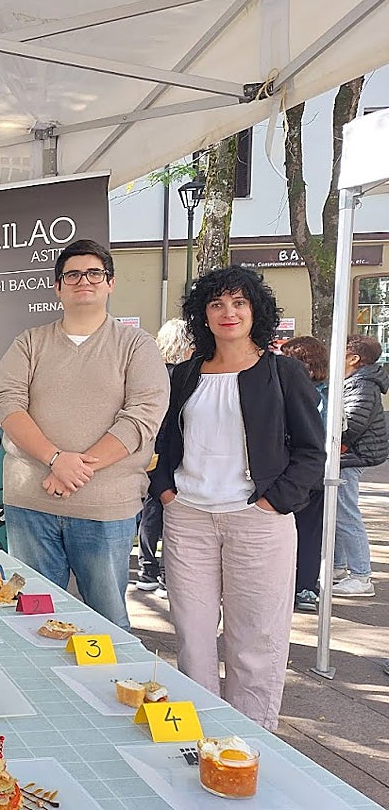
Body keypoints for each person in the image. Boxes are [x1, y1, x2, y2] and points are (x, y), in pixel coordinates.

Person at [150, 266, 324, 729]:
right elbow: (163, 442)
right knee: (193, 636)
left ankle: (248, 739)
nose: (229, 313)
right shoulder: (184, 375)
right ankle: (201, 733)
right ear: (202, 315)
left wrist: (275, 501)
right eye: (217, 304)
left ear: (255, 312)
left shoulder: (283, 372)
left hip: (257, 519)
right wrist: (165, 491)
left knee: (255, 639)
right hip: (187, 517)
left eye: (239, 303)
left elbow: (312, 451)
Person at [0, 239, 168, 630]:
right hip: (31, 505)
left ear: (110, 283)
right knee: (33, 617)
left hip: (105, 509)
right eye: (72, 274)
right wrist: (56, 459)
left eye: (94, 273)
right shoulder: (29, 342)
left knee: (106, 620)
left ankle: (113, 690)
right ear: (58, 287)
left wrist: (75, 468)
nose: (83, 281)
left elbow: (142, 416)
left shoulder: (136, 346)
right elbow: (7, 403)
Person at [135, 318, 194, 593]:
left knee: (150, 511)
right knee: (173, 515)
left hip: (149, 450)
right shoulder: (187, 376)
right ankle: (167, 577)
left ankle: (147, 569)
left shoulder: (150, 372)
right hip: (176, 452)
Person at [331, 334, 389, 598]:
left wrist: (334, 446)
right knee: (338, 512)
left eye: (340, 353)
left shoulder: (362, 385)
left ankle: (361, 575)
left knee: (345, 514)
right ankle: (339, 566)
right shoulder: (358, 382)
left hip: (354, 456)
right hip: (352, 454)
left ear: (354, 358)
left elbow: (351, 424)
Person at [280, 335, 329, 613]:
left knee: (294, 532)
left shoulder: (306, 394)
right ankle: (305, 587)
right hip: (314, 475)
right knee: (309, 533)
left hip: (296, 474)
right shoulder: (326, 392)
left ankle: (300, 588)